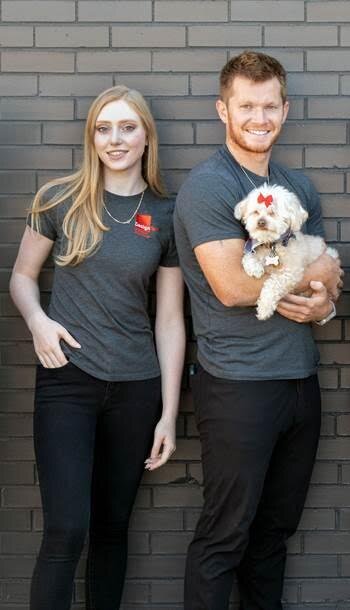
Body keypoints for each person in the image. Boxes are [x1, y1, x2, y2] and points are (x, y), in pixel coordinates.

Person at [174, 51, 342, 608]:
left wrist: (321, 303)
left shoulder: (298, 191)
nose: (259, 117)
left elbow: (327, 286)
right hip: (237, 386)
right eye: (247, 105)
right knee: (226, 536)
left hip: (299, 382)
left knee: (273, 537)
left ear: (285, 109)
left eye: (270, 106)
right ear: (223, 109)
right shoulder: (210, 188)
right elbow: (230, 286)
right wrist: (312, 277)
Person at [10, 85, 185, 609]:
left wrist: (169, 414)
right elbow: (21, 276)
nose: (115, 139)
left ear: (146, 135)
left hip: (136, 388)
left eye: (127, 127)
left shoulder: (165, 213)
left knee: (112, 528)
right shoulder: (59, 200)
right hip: (68, 380)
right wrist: (39, 321)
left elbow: (172, 320)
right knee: (66, 529)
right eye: (104, 128)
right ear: (92, 137)